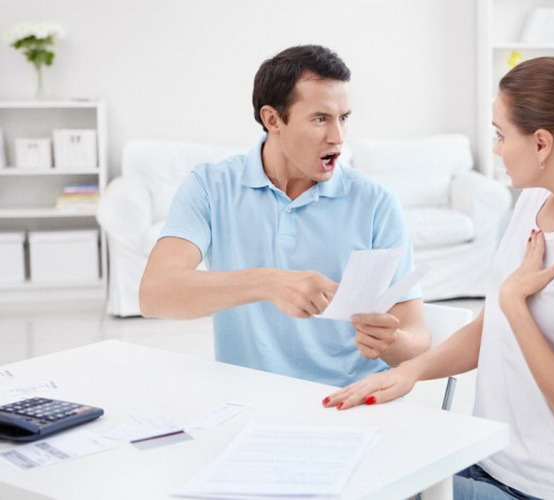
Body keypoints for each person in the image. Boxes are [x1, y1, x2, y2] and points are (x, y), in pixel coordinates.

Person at [323, 56, 554, 499]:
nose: (495, 148)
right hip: (484, 456)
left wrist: (515, 304)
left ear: (541, 143)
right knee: (358, 474)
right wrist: (409, 373)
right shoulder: (533, 202)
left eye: (500, 134)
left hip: (539, 488)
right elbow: (489, 328)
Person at [139, 45, 430, 387]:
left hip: (351, 397)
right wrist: (270, 283)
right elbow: (154, 293)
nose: (337, 137)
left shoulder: (376, 202)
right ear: (272, 119)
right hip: (253, 398)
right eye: (320, 119)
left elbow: (417, 338)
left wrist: (391, 343)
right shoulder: (210, 186)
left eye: (343, 118)